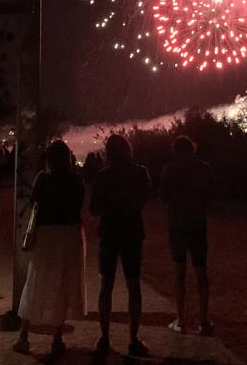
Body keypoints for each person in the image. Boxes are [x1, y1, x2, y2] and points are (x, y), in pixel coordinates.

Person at [14, 140, 87, 358]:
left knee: (36, 279)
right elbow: (79, 205)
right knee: (63, 281)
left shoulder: (43, 179)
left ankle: (24, 336)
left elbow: (35, 201)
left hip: (46, 234)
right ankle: (57, 337)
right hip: (70, 234)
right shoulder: (76, 180)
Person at [90, 135, 151, 357]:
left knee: (106, 285)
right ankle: (134, 338)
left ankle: (104, 337)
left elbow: (94, 208)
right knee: (133, 286)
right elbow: (143, 199)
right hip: (132, 234)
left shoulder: (103, 176)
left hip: (109, 234)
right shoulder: (140, 173)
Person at [159, 136, 214, 335]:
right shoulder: (204, 168)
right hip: (198, 224)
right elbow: (209, 195)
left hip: (177, 225)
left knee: (179, 272)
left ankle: (181, 320)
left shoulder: (169, 169)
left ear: (176, 150)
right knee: (201, 272)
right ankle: (204, 320)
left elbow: (163, 196)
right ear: (193, 149)